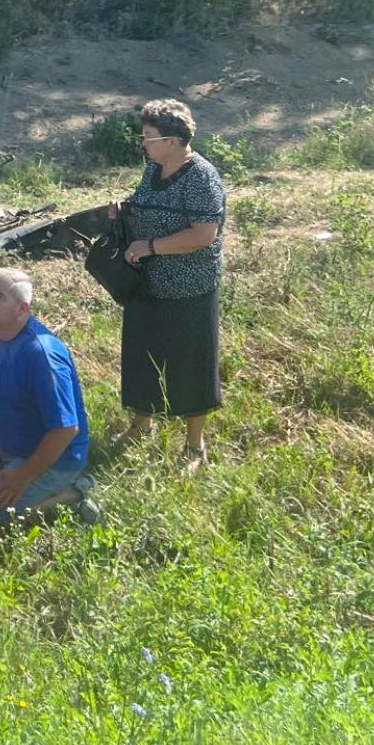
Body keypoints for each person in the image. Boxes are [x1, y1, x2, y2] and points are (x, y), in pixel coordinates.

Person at [111, 99, 226, 469]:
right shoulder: (154, 168)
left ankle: (195, 446)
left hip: (188, 286)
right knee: (143, 357)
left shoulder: (201, 178)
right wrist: (124, 209)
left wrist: (152, 246)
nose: (142, 143)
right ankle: (141, 425)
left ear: (173, 141)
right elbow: (145, 205)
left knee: (190, 364)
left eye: (148, 137)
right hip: (145, 282)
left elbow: (204, 234)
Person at [0, 267, 98, 527]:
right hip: (4, 433)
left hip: (51, 460)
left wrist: (24, 475)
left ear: (22, 308)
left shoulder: (43, 355)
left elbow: (66, 429)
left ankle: (73, 493)